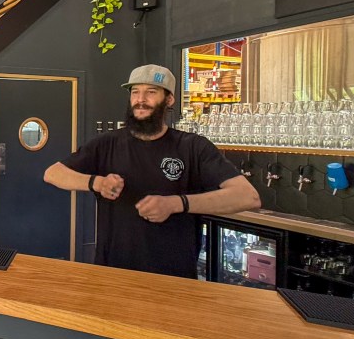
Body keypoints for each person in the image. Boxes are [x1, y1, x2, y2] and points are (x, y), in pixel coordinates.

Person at [43, 64, 260, 278]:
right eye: (135, 92)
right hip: (113, 273)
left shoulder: (193, 147)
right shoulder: (106, 144)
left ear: (169, 99)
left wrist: (176, 204)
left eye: (151, 92)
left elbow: (248, 197)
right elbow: (53, 174)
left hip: (174, 277)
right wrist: (96, 183)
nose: (141, 99)